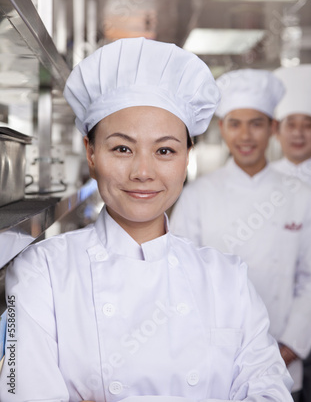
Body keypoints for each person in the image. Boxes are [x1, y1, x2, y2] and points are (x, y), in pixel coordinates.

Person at [0, 38, 293, 402]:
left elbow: (271, 393)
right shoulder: (39, 272)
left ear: (187, 158)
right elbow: (20, 393)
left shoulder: (228, 279)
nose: (143, 171)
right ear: (91, 153)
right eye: (122, 148)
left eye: (165, 150)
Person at [170, 68, 311, 402]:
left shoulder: (300, 195)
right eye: (235, 123)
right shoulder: (197, 195)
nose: (245, 135)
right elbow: (179, 277)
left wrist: (287, 349)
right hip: (212, 363)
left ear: (272, 129)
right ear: (222, 129)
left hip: (284, 360)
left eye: (256, 123)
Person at [273, 64, 311, 402]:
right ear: (277, 132)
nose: (298, 133)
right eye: (290, 125)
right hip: (277, 328)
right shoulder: (262, 183)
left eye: (307, 126)